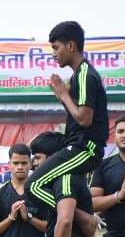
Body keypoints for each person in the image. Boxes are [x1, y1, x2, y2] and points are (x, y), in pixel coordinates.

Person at [25, 21, 108, 211]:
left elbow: (84, 119)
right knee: (53, 187)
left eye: (56, 48)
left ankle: (81, 218)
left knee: (33, 186)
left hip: (85, 149)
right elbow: (80, 114)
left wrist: (64, 95)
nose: (53, 54)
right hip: (77, 146)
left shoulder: (85, 75)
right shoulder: (79, 74)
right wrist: (62, 97)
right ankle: (74, 218)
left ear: (71, 46)